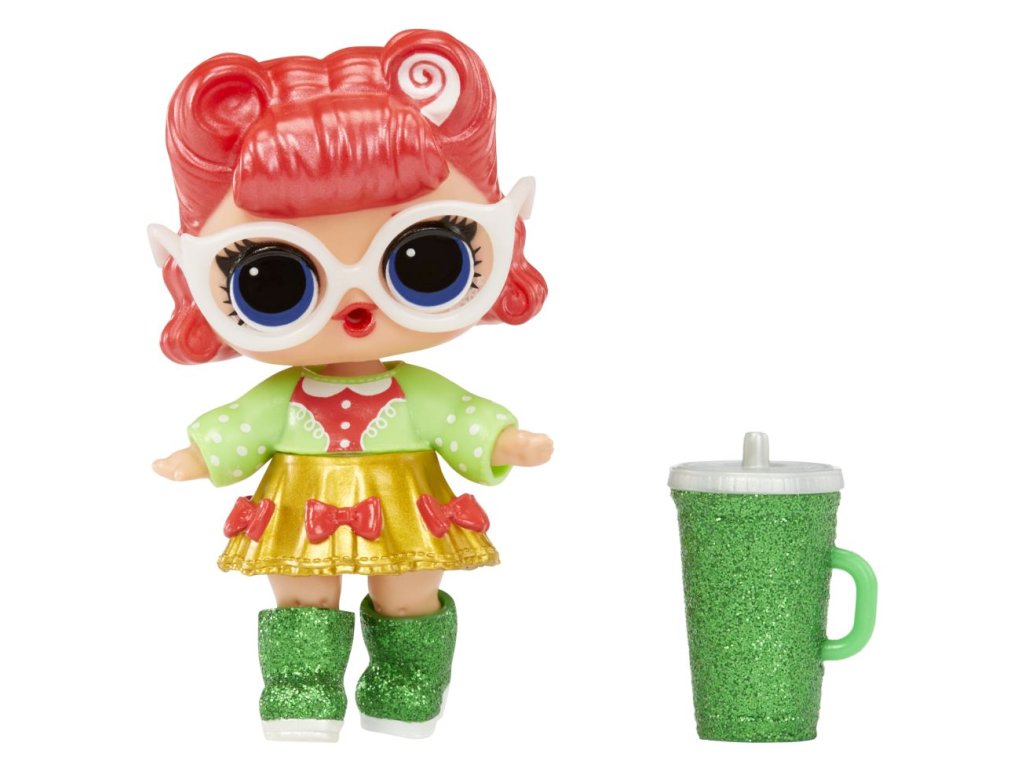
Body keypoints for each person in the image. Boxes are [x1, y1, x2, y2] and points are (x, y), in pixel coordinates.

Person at [149, 29, 552, 742]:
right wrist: (201, 455)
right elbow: (246, 425)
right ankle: (300, 691)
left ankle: (407, 689)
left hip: (406, 505)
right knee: (302, 595)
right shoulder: (285, 398)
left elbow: (456, 416)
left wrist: (502, 440)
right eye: (273, 280)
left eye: (427, 261)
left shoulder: (414, 390)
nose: (355, 307)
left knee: (409, 593)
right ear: (185, 272)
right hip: (302, 505)